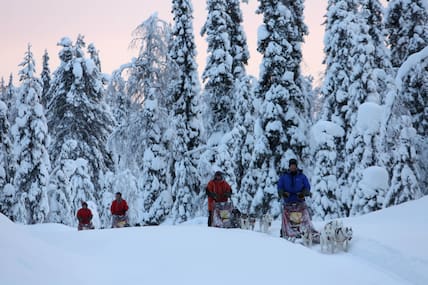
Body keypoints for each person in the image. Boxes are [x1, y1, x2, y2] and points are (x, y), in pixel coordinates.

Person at [278, 158, 316, 239]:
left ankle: (309, 231)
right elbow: (279, 187)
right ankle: (287, 232)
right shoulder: (284, 176)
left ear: (296, 166)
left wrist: (304, 193)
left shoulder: (302, 176)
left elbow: (307, 187)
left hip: (300, 201)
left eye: (294, 166)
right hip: (288, 202)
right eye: (291, 166)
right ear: (289, 167)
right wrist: (283, 193)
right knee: (286, 217)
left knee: (305, 216)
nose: (293, 167)